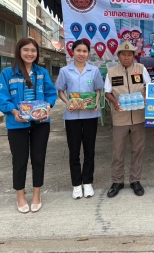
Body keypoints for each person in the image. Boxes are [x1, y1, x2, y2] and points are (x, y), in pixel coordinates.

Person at [0, 37, 57, 213]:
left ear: (37, 53)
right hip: (17, 125)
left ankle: (37, 194)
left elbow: (50, 93)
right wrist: (14, 112)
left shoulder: (42, 73)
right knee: (19, 161)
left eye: (33, 50)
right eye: (26, 50)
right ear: (19, 51)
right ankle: (21, 196)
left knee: (38, 159)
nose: (30, 53)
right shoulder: (8, 73)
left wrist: (48, 105)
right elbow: (3, 99)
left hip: (40, 123)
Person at [55, 39, 104, 199]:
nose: (81, 54)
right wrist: (68, 102)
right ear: (72, 52)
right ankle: (76, 185)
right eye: (78, 51)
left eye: (84, 51)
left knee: (90, 150)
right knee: (74, 151)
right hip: (72, 117)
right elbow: (60, 91)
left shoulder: (94, 71)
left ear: (88, 53)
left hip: (91, 116)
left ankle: (88, 182)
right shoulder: (65, 71)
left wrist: (96, 102)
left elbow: (98, 90)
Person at [104, 41, 151, 197]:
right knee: (118, 151)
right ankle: (117, 181)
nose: (126, 57)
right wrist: (114, 102)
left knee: (138, 150)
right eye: (123, 55)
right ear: (118, 56)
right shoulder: (111, 72)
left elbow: (149, 87)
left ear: (133, 56)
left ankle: (135, 180)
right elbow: (107, 92)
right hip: (120, 118)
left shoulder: (141, 69)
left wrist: (145, 97)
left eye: (129, 55)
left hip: (138, 117)